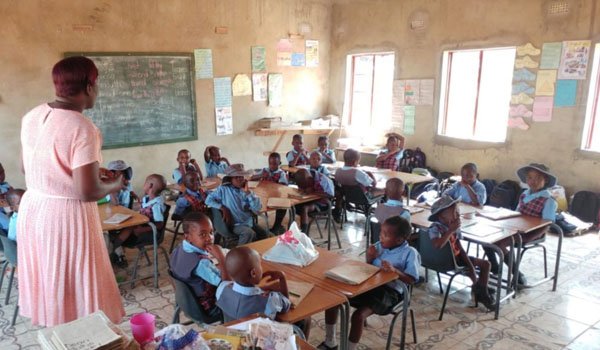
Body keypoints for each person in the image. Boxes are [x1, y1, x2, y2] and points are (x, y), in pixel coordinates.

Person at [18, 56, 124, 326]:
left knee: (51, 277)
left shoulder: (33, 115)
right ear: (89, 86)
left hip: (35, 209)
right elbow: (87, 191)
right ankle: (81, 336)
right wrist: (115, 183)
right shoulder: (82, 127)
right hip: (64, 217)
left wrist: (85, 171)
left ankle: (58, 332)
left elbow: (27, 167)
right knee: (75, 282)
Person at [319, 217, 419, 350]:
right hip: (371, 286)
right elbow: (369, 268)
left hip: (391, 294)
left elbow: (411, 280)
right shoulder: (380, 246)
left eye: (385, 235)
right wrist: (370, 257)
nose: (380, 236)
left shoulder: (409, 253)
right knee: (333, 300)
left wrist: (395, 271)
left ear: (399, 240)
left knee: (358, 315)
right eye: (381, 232)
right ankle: (330, 341)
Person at [487, 163, 558, 286]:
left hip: (533, 233)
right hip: (516, 229)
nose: (533, 181)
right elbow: (517, 214)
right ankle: (494, 266)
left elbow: (547, 224)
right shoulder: (525, 194)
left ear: (545, 180)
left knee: (500, 244)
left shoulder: (548, 200)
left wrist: (528, 237)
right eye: (530, 178)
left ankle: (517, 274)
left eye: (537, 178)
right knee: (487, 240)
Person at [216, 246, 310, 336]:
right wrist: (282, 277)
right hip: (261, 340)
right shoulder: (271, 300)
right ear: (253, 273)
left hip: (233, 337)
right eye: (260, 264)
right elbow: (286, 305)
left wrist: (262, 289)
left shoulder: (222, 288)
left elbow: (243, 295)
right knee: (305, 319)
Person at [428, 195, 495, 310]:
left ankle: (481, 290)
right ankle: (481, 292)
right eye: (454, 212)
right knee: (475, 268)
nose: (458, 214)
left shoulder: (454, 226)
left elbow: (459, 248)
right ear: (441, 217)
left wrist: (471, 267)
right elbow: (437, 245)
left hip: (457, 258)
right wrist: (450, 231)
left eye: (458, 211)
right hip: (445, 261)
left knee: (486, 264)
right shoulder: (436, 228)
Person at [170, 212, 227, 320]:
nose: (209, 238)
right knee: (242, 299)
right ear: (187, 237)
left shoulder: (179, 248)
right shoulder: (200, 263)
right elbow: (226, 284)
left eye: (211, 232)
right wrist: (221, 258)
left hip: (187, 303)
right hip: (209, 308)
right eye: (202, 234)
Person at [205, 164, 269, 245]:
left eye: (241, 177)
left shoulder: (247, 192)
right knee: (249, 233)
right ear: (230, 179)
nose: (240, 179)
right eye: (236, 177)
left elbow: (257, 208)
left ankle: (255, 252)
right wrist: (222, 207)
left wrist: (248, 193)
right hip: (235, 224)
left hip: (248, 222)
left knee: (264, 234)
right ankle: (239, 253)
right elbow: (208, 200)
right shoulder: (224, 189)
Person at [110, 174, 166, 264]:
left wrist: (142, 229)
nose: (143, 185)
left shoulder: (156, 205)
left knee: (129, 228)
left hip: (150, 231)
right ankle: (116, 247)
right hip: (143, 225)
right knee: (125, 224)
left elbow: (160, 225)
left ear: (150, 186)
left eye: (145, 182)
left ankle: (112, 248)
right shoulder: (147, 199)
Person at [252, 152, 288, 234]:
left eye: (275, 164)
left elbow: (284, 187)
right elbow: (252, 178)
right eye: (270, 163)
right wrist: (261, 176)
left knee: (283, 206)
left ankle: (277, 226)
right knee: (253, 204)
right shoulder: (265, 170)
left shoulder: (281, 173)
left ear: (279, 163)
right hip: (263, 196)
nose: (272, 166)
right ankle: (253, 226)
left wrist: (275, 183)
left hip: (275, 196)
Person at [294, 168, 335, 233]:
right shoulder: (306, 177)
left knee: (304, 208)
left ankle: (304, 233)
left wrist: (313, 192)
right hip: (309, 201)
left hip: (322, 204)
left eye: (306, 185)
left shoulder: (322, 180)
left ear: (310, 179)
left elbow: (331, 195)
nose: (305, 187)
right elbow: (302, 188)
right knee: (293, 206)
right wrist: (302, 190)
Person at [372, 178, 411, 243]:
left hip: (379, 242)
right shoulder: (404, 214)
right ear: (404, 193)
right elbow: (407, 235)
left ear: (386, 191)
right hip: (396, 246)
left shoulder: (379, 208)